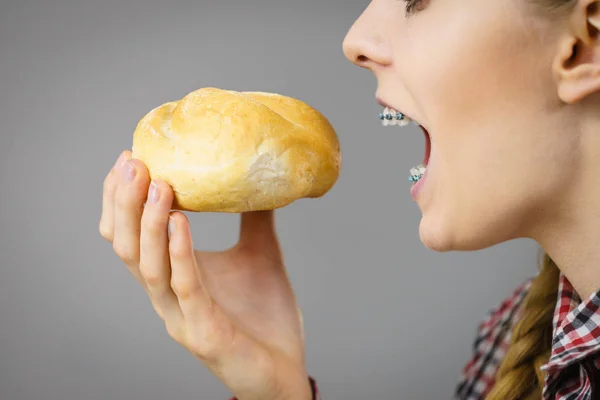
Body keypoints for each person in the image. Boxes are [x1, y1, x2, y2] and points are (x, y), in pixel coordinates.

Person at [99, 0, 600, 398]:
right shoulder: (512, 340)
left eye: (416, 0)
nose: (354, 40)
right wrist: (279, 393)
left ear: (583, 46)